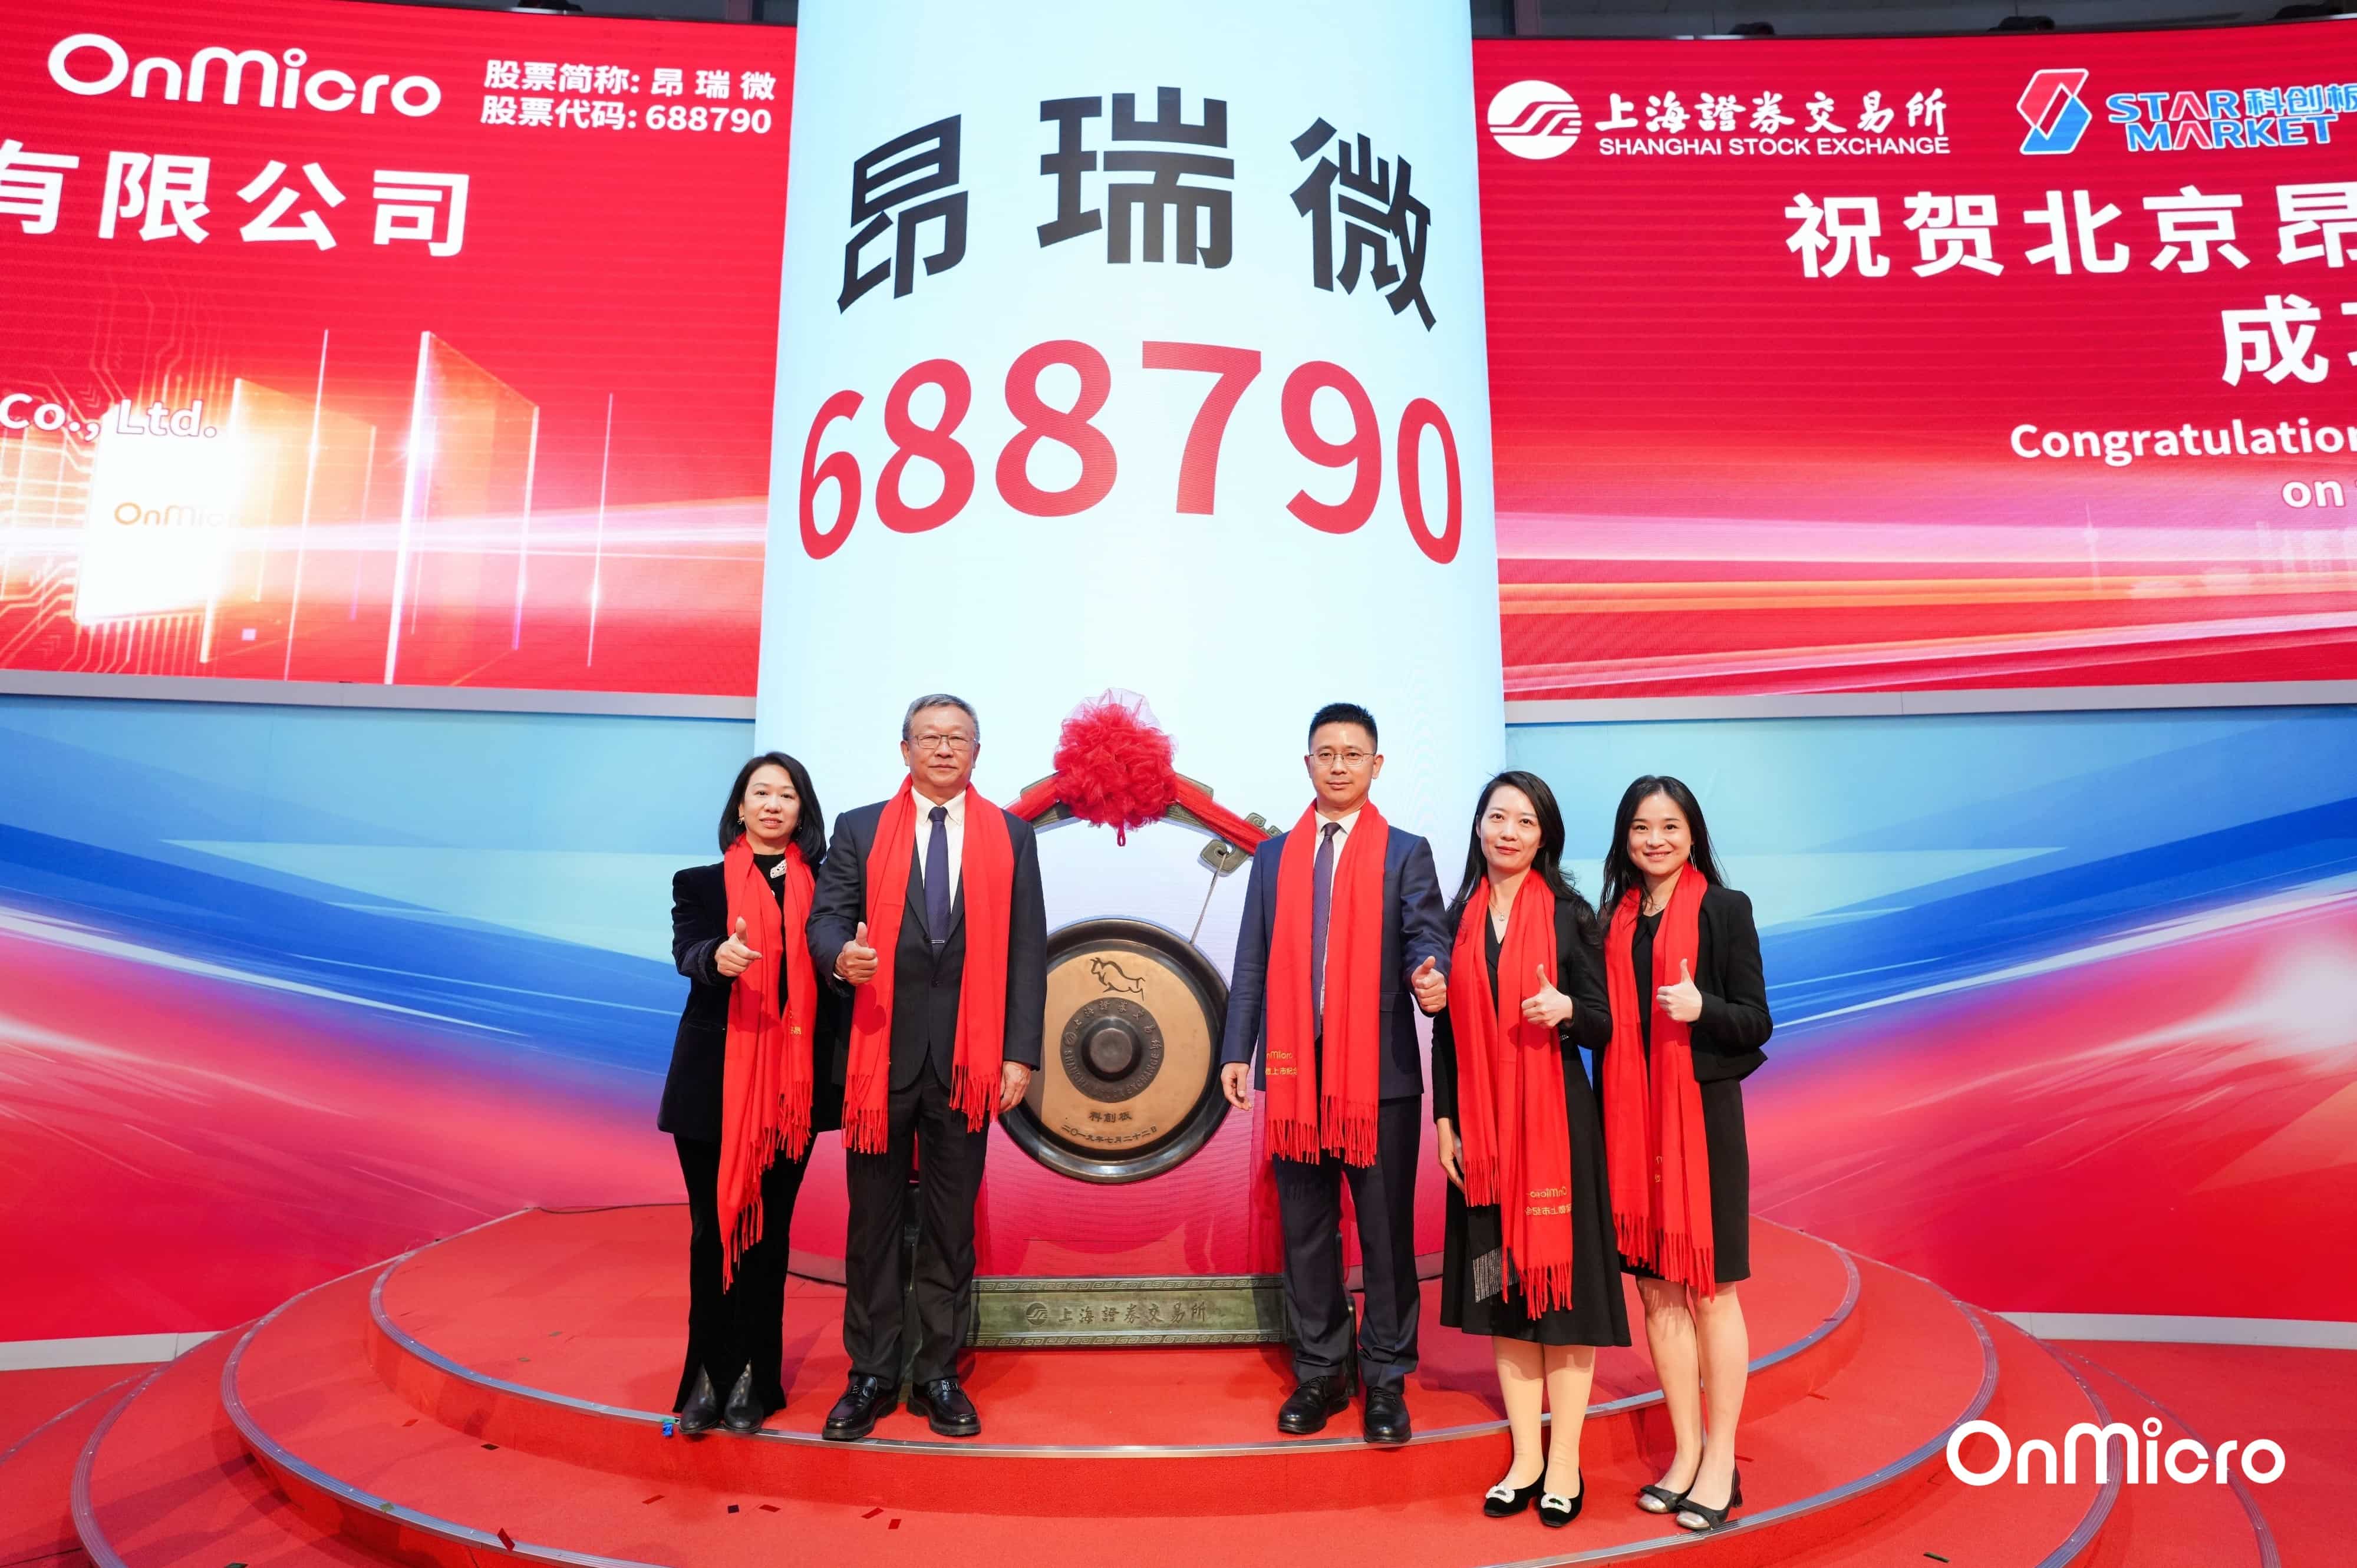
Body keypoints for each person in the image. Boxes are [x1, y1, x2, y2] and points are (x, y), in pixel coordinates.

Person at [806, 694, 1047, 1441]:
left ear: (977, 751)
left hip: (970, 1062)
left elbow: (1027, 949)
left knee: (949, 1225)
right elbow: (825, 918)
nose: (944, 749)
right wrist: (840, 957)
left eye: (958, 738)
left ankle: (938, 1371)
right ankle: (871, 1373)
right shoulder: (858, 828)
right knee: (872, 1223)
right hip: (878, 1054)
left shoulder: (1011, 835)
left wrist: (1020, 1053)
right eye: (930, 737)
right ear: (904, 749)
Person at [1219, 702, 1451, 1445]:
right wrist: (1237, 1050)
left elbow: (1426, 935)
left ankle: (1385, 1377)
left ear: (1376, 766)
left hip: (1378, 1076)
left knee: (1384, 1235)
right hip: (1293, 1072)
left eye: (1354, 754)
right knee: (1307, 1231)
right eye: (1327, 753)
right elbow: (1251, 960)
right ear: (1308, 764)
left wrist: (1431, 973)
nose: (1340, 765)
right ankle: (1321, 1368)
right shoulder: (1272, 858)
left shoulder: (1405, 852)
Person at [1432, 771, 1628, 1527]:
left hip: (1557, 1132)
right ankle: (1525, 1459)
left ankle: (1566, 1461)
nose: (1508, 832)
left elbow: (1606, 1024)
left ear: (1545, 835)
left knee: (1563, 1298)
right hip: (1481, 1137)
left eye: (1524, 821)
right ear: (1479, 827)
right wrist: (1445, 1122)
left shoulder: (1573, 917)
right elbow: (1446, 1033)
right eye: (1497, 817)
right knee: (1503, 1294)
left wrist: (1568, 1007)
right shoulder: (1458, 918)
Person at [1595, 775, 1771, 1534]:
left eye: (1669, 826)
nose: (1655, 840)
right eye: (1642, 827)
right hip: (1630, 1126)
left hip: (1702, 1123)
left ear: (1692, 834)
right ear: (1625, 839)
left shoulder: (1725, 910)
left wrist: (1704, 1010)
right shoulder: (1612, 922)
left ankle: (1722, 1459)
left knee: (1710, 1291)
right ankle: (1686, 1451)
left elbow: (1757, 1020)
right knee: (1656, 1291)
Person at [660, 751, 848, 1436]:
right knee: (713, 1232)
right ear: (740, 807)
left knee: (770, 1238)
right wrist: (717, 957)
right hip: (714, 1087)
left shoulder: (828, 892)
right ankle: (707, 1376)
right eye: (760, 793)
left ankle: (753, 1379)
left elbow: (837, 969)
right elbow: (688, 950)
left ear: (803, 812)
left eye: (786, 795)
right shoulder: (699, 884)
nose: (772, 805)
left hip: (793, 1092)